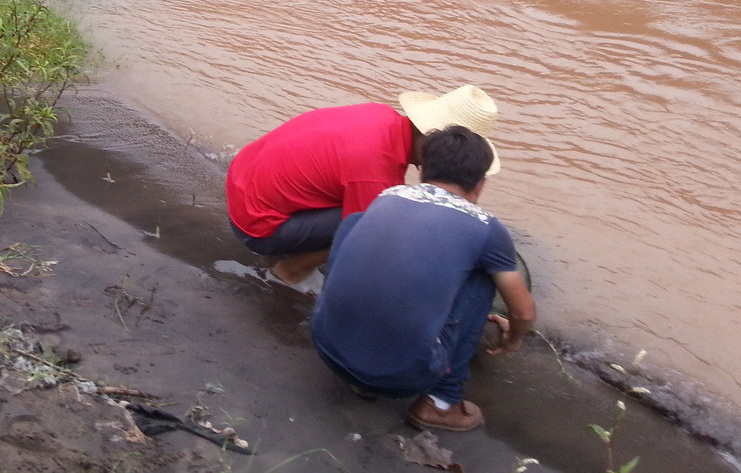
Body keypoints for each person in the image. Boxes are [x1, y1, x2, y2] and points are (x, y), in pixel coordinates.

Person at [310, 126, 535, 432]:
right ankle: (442, 402)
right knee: (484, 277)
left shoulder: (387, 197)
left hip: (328, 348)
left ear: (423, 170)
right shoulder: (486, 227)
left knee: (355, 224)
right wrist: (514, 337)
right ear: (481, 184)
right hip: (401, 375)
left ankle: (356, 364)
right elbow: (523, 312)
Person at [226, 85, 500, 285]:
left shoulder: (381, 115)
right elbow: (367, 243)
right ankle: (292, 269)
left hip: (242, 182)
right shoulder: (376, 171)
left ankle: (297, 245)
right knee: (377, 225)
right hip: (255, 225)